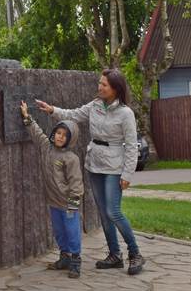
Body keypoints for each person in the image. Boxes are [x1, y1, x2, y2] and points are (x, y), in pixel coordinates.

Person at [34, 68, 145, 275]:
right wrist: (51, 110)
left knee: (114, 211)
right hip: (95, 163)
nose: (99, 87)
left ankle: (135, 253)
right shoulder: (94, 106)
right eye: (100, 83)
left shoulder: (125, 113)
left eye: (104, 84)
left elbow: (131, 145)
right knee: (103, 213)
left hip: (114, 167)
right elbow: (73, 115)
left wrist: (127, 174)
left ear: (115, 89)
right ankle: (114, 255)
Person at [19, 100, 83, 278]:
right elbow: (37, 133)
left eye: (65, 135)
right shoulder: (47, 148)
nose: (60, 137)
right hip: (54, 201)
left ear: (70, 139)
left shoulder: (71, 158)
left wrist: (73, 204)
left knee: (72, 231)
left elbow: (76, 183)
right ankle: (65, 257)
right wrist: (27, 117)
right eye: (58, 133)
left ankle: (76, 259)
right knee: (59, 231)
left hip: (68, 203)